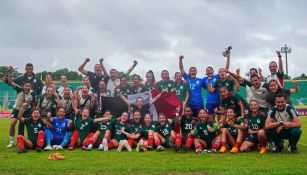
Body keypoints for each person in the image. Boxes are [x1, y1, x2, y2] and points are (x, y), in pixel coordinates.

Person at [6, 66, 36, 147]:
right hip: (17, 109)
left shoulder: (33, 93)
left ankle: (29, 140)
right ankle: (11, 141)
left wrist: (32, 111)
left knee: (29, 125)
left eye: (29, 86)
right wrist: (10, 73)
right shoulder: (19, 89)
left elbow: (34, 104)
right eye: (26, 86)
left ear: (31, 87)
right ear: (23, 86)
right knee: (13, 123)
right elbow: (10, 82)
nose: (27, 87)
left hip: (27, 111)